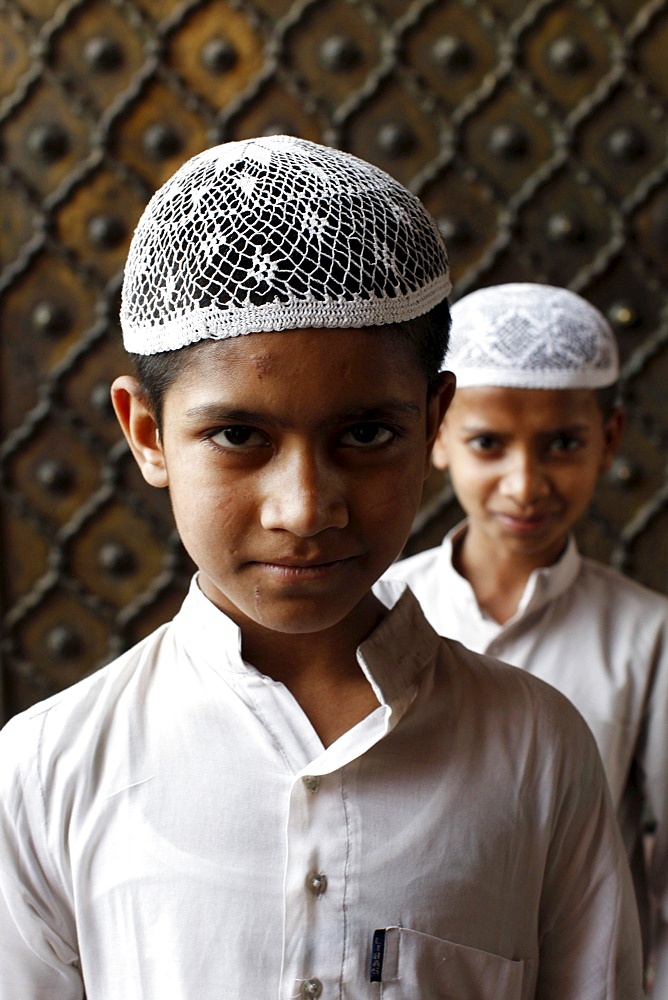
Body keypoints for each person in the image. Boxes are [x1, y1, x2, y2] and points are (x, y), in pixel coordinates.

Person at [0, 140, 644, 999]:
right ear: (147, 433)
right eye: (238, 436)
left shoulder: (539, 747)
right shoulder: (47, 770)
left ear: (432, 420)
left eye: (366, 434)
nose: (305, 508)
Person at [383, 281, 668, 993]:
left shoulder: (649, 635)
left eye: (562, 444)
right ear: (437, 436)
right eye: (489, 443)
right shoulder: (380, 607)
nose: (525, 483)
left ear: (609, 442)